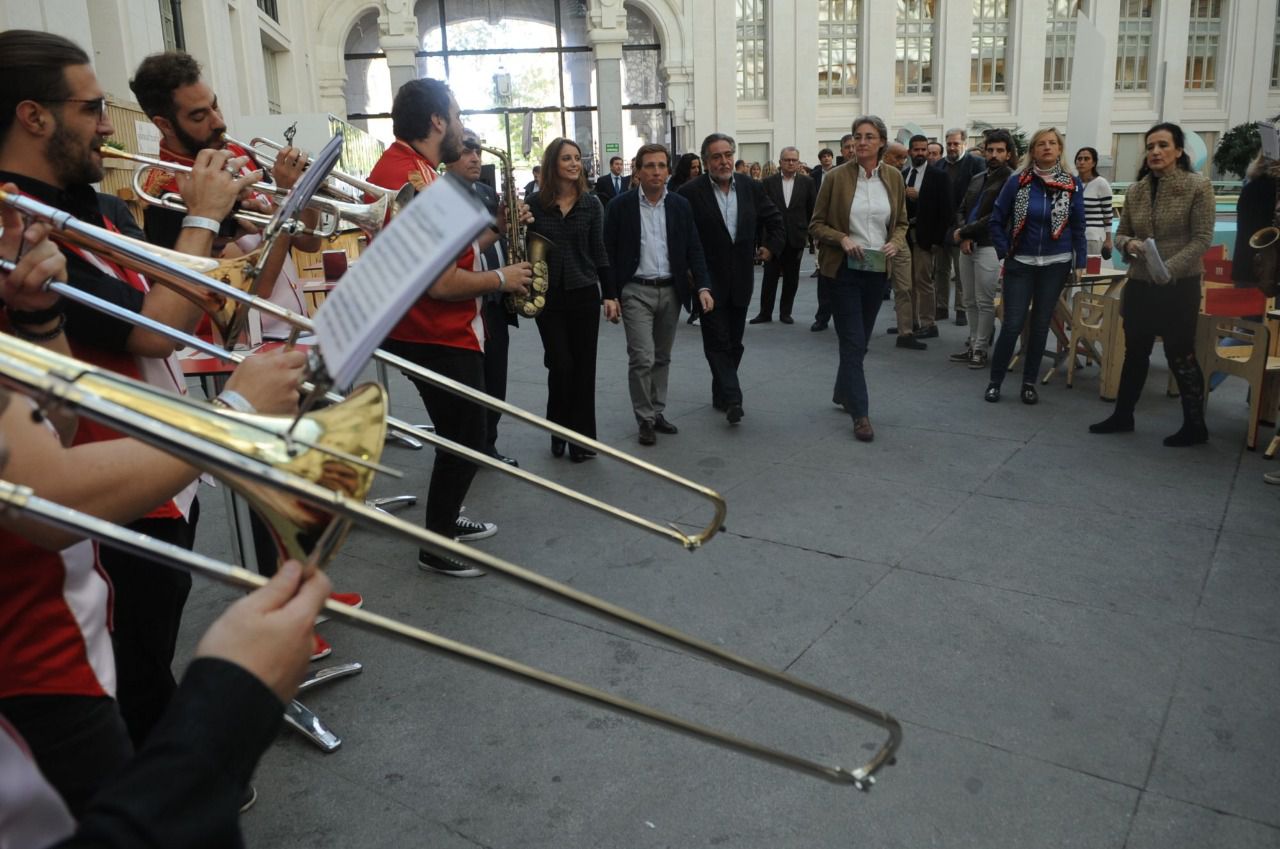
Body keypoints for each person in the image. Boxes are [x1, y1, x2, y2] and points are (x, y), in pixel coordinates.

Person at [0, 30, 289, 751]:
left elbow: (203, 303)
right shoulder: (21, 222)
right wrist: (198, 218)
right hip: (108, 478)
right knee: (132, 673)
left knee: (143, 651)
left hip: (154, 457)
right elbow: (157, 326)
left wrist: (248, 223)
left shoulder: (88, 204)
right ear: (34, 117)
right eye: (94, 107)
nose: (107, 125)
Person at [366, 78, 532, 576]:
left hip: (430, 329)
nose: (462, 128)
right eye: (457, 117)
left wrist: (495, 229)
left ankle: (445, 518)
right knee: (466, 437)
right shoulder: (412, 181)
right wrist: (504, 277)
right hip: (433, 332)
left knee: (458, 434)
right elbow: (440, 284)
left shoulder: (412, 169)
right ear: (437, 121)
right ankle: (435, 544)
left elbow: (447, 256)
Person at [1089, 122, 1215, 446]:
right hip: (1141, 284)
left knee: (1180, 354)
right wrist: (1128, 244)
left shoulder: (1197, 187)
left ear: (1178, 151)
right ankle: (1123, 415)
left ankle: (1195, 425)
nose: (1155, 152)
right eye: (1150, 146)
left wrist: (1168, 269)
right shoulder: (1137, 190)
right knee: (1135, 352)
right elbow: (1120, 233)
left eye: (1162, 145)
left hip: (1179, 285)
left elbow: (1202, 239)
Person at [602, 142, 712, 446]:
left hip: (671, 290)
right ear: (637, 170)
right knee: (642, 357)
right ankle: (645, 418)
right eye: (649, 165)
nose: (656, 171)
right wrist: (609, 294)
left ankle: (657, 410)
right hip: (635, 290)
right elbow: (607, 253)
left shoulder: (679, 205)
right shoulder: (620, 206)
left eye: (661, 165)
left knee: (662, 357)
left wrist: (702, 286)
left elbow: (694, 247)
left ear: (668, 170)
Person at [809, 115, 907, 443]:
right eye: (857, 136)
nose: (861, 142)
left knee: (861, 340)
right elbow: (816, 224)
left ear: (881, 142)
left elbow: (903, 223)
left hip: (877, 269)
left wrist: (895, 242)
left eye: (868, 136)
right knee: (852, 340)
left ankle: (842, 390)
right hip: (843, 270)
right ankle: (860, 413)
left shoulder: (893, 178)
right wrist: (842, 238)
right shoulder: (835, 178)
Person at [678, 133, 783, 425]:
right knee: (716, 340)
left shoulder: (751, 187)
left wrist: (770, 248)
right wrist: (691, 273)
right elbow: (683, 237)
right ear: (706, 161)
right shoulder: (689, 193)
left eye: (727, 155)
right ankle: (734, 397)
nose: (723, 161)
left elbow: (774, 221)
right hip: (706, 280)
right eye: (716, 157)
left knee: (734, 342)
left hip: (741, 279)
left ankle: (720, 391)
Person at [985, 127, 1086, 405]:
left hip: (1056, 263)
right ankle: (995, 382)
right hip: (1021, 261)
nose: (1047, 148)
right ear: (1032, 151)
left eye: (1052, 143)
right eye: (1041, 144)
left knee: (1042, 325)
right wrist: (1004, 251)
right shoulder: (1018, 182)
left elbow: (1078, 225)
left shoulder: (1072, 184)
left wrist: (1081, 261)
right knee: (1013, 324)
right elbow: (996, 218)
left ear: (1060, 149)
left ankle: (1029, 383)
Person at [526, 137, 612, 461]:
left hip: (584, 292)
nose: (575, 163)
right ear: (553, 164)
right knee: (561, 365)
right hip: (547, 295)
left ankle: (581, 442)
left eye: (577, 158)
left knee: (583, 368)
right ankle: (558, 425)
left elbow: (599, 252)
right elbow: (522, 243)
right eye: (567, 158)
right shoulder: (535, 204)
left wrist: (610, 294)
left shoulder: (592, 204)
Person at [452, 129, 518, 467]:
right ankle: (471, 449)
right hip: (465, 303)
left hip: (495, 301)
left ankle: (488, 443)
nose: (475, 157)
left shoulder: (486, 193)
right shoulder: (440, 197)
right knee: (469, 385)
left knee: (497, 380)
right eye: (466, 151)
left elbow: (496, 238)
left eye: (476, 151)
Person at [949, 128, 1015, 370]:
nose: (994, 154)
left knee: (985, 300)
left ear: (1008, 154)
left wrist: (965, 232)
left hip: (990, 245)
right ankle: (973, 343)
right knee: (969, 300)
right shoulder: (978, 178)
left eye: (999, 150)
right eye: (990, 150)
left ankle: (981, 349)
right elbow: (961, 209)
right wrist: (964, 234)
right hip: (969, 243)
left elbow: (997, 216)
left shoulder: (1011, 179)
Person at [895, 134, 950, 347]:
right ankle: (911, 323)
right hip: (904, 236)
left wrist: (937, 241)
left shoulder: (939, 176)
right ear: (909, 152)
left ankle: (929, 323)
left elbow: (946, 210)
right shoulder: (904, 174)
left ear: (928, 151)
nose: (919, 153)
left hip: (925, 237)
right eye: (916, 149)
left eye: (923, 149)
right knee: (906, 283)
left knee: (924, 281)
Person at [751, 146, 815, 324]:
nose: (791, 163)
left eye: (794, 160)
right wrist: (761, 242)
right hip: (772, 239)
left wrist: (808, 235)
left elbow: (812, 210)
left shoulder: (807, 183)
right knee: (769, 277)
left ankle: (786, 312)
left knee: (791, 278)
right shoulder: (768, 183)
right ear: (780, 162)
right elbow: (761, 213)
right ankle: (765, 312)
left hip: (796, 237)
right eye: (787, 160)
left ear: (799, 162)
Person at [938, 128, 988, 326]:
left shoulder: (977, 164)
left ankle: (960, 309)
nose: (951, 147)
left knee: (961, 271)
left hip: (964, 226)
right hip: (942, 227)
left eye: (955, 144)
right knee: (940, 269)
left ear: (964, 144)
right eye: (949, 143)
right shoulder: (939, 165)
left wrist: (968, 228)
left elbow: (978, 199)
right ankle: (940, 307)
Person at [811, 133, 856, 326]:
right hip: (834, 242)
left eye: (855, 146)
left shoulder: (876, 175)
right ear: (842, 150)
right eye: (848, 147)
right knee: (827, 281)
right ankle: (822, 317)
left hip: (862, 244)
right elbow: (819, 215)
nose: (852, 150)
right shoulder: (833, 176)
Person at [1075, 146, 1114, 259]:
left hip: (1093, 237)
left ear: (1094, 163)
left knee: (1090, 273)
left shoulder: (1101, 183)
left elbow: (1108, 214)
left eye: (1086, 159)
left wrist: (1108, 239)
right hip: (1074, 237)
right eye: (1079, 159)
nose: (1082, 162)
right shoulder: (1073, 183)